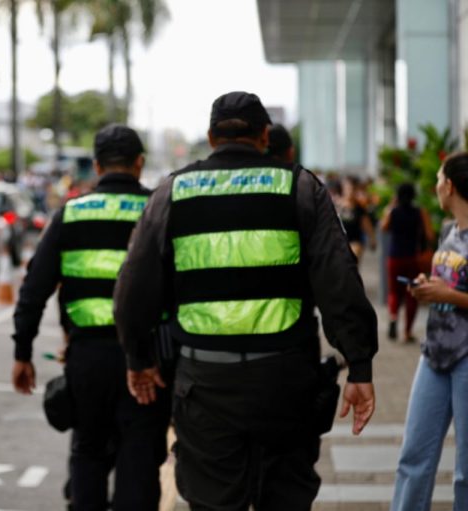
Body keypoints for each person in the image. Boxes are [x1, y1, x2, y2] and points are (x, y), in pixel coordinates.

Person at [113, 91, 378, 510]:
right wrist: (359, 365)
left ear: (211, 137)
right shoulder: (300, 187)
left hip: (204, 385)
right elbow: (339, 281)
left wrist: (138, 358)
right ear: (264, 135)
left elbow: (133, 290)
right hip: (285, 381)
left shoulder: (173, 192)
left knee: (213, 501)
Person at [11, 124, 171, 511]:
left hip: (87, 358)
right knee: (139, 460)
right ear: (139, 163)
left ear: (97, 166)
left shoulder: (71, 214)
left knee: (88, 453)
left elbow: (34, 289)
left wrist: (22, 352)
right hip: (148, 362)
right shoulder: (160, 211)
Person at [391, 152, 468, 510]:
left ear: (449, 186)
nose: (435, 186)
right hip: (434, 352)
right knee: (413, 457)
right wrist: (427, 285)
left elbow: (451, 292)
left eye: (438, 179)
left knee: (465, 470)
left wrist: (449, 295)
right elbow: (447, 279)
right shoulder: (448, 231)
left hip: (466, 356)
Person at [381, 183, 435, 342]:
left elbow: (383, 227)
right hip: (413, 258)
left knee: (394, 291)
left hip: (394, 257)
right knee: (411, 293)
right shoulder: (420, 212)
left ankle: (393, 317)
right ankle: (407, 332)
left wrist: (391, 206)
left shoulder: (392, 212)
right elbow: (430, 235)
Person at [336, 175, 377, 262]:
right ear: (343, 189)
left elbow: (366, 224)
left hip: (355, 241)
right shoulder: (336, 206)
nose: (350, 191)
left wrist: (372, 238)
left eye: (353, 189)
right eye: (348, 188)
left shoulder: (359, 208)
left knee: (351, 261)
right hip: (338, 242)